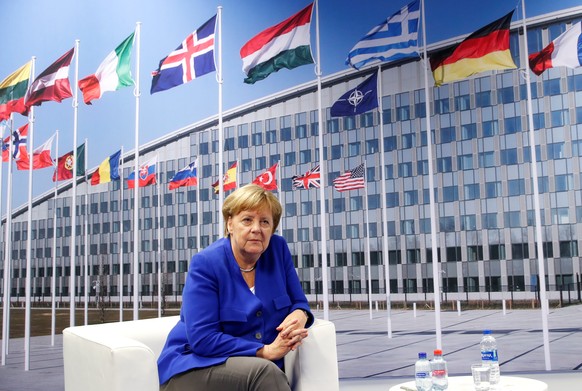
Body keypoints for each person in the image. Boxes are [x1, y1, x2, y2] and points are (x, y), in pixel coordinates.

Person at [158, 183, 314, 391]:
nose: (256, 229)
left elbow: (299, 302)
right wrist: (264, 351)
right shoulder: (206, 263)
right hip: (195, 365)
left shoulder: (278, 250)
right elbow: (203, 339)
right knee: (265, 374)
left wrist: (300, 314)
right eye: (247, 220)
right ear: (230, 224)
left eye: (265, 222)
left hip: (257, 369)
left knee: (266, 373)